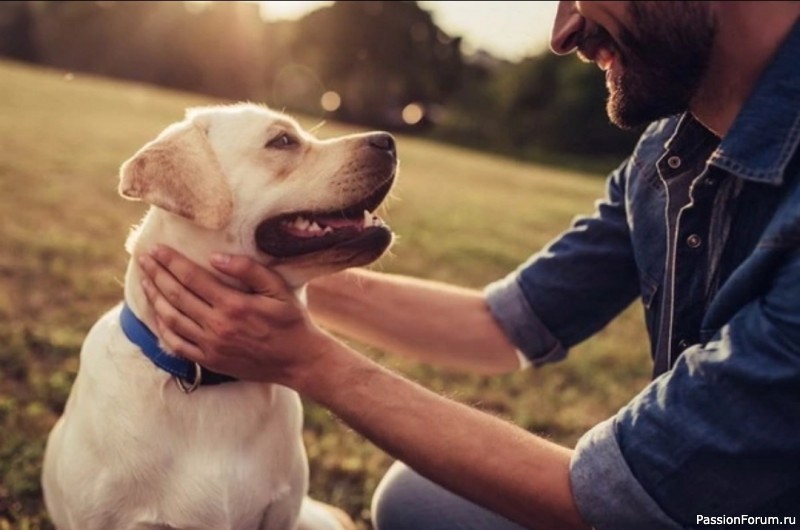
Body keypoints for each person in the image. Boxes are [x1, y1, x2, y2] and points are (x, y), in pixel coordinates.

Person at [138, 2, 800, 528]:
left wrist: (307, 360)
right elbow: (499, 325)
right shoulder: (667, 157)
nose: (563, 30)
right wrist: (254, 269)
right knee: (418, 500)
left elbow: (630, 499)